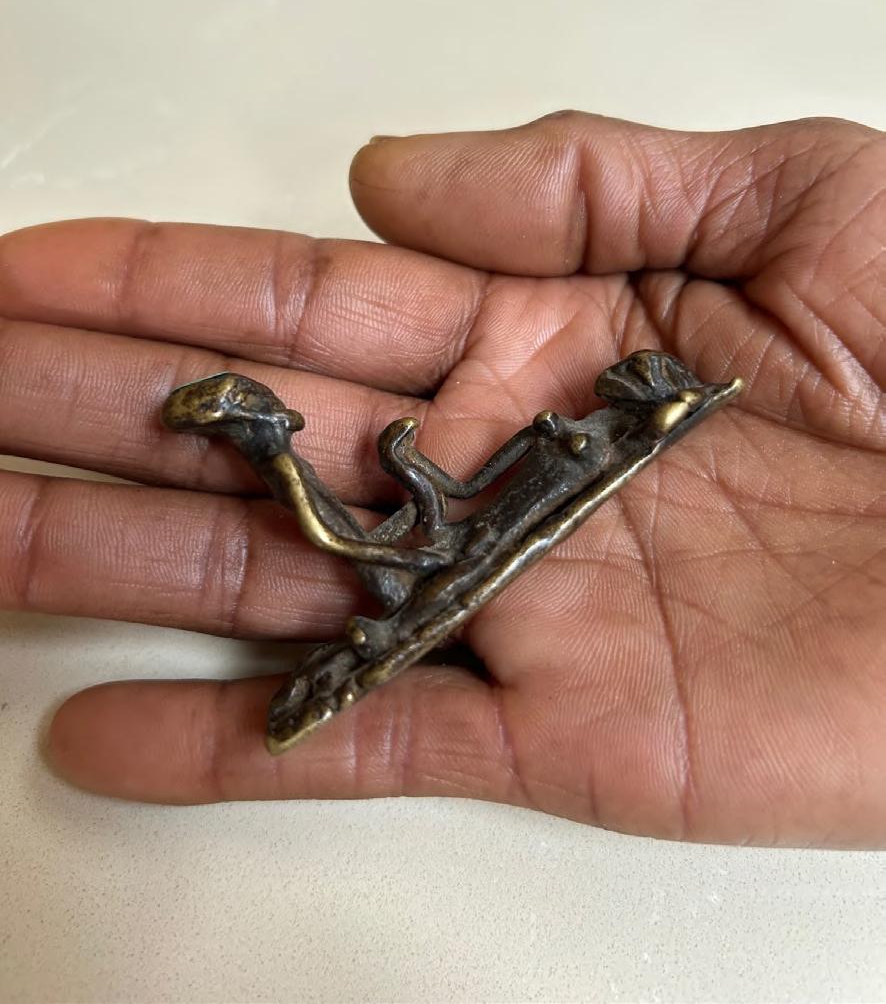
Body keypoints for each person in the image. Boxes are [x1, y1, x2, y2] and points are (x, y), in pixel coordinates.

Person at [0, 111, 882, 846]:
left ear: (646, 393)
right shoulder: (569, 430)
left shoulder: (621, 443)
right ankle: (260, 431)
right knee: (339, 541)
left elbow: (653, 431)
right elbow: (469, 488)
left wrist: (693, 406)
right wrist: (407, 465)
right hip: (460, 536)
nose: (619, 376)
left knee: (334, 539)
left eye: (637, 378)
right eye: (631, 373)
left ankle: (262, 432)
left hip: (476, 556)